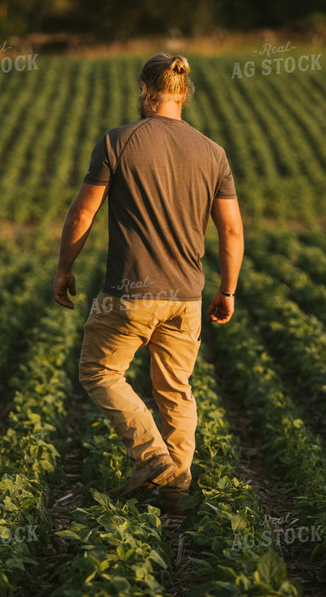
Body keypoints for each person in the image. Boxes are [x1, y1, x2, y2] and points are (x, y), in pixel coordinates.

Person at [53, 53, 243, 514]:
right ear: (183, 93)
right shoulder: (212, 152)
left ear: (144, 89)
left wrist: (64, 268)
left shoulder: (118, 141)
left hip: (128, 292)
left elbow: (83, 212)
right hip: (187, 296)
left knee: (99, 371)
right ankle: (177, 486)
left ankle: (152, 455)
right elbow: (232, 230)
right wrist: (228, 289)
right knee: (175, 390)